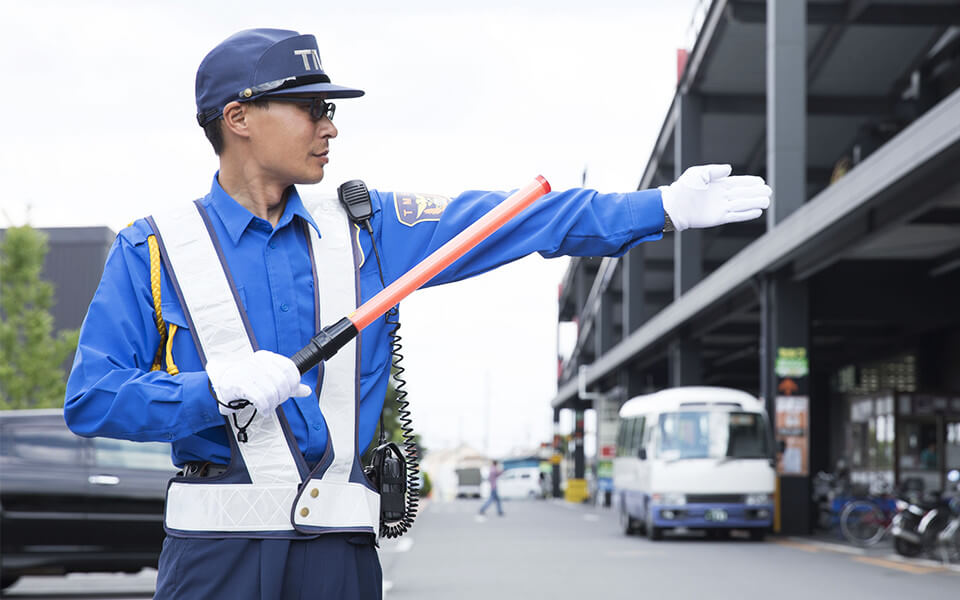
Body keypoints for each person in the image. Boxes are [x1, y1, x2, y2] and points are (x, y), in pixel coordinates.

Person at [63, 28, 770, 600]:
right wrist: (213, 391)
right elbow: (94, 401)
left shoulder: (369, 227)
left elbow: (514, 218)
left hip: (337, 559)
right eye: (312, 107)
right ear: (239, 119)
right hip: (211, 559)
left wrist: (661, 210)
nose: (330, 126)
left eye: (331, 110)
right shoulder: (153, 248)